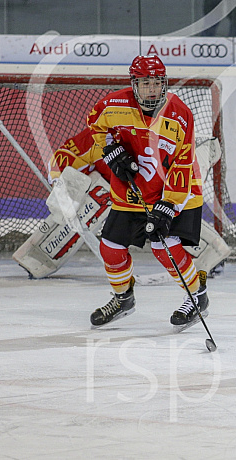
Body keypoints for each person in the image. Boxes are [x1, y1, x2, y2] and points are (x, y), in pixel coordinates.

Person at [86, 54, 208, 330]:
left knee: (164, 247)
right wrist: (110, 149)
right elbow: (96, 125)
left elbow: (183, 163)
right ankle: (123, 299)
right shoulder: (114, 104)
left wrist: (168, 206)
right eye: (145, 83)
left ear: (164, 84)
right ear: (134, 84)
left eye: (156, 83)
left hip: (180, 189)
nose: (151, 89)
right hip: (133, 188)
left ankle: (197, 296)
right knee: (111, 248)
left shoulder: (180, 114)